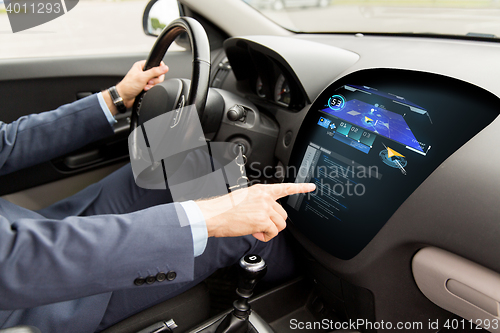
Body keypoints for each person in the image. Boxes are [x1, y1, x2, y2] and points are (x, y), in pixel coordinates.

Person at [0, 61, 315, 332]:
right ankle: (311, 294)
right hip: (33, 297)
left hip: (31, 230)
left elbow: (5, 143)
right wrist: (211, 216)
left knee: (193, 164)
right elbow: (15, 261)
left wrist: (116, 97)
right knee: (244, 228)